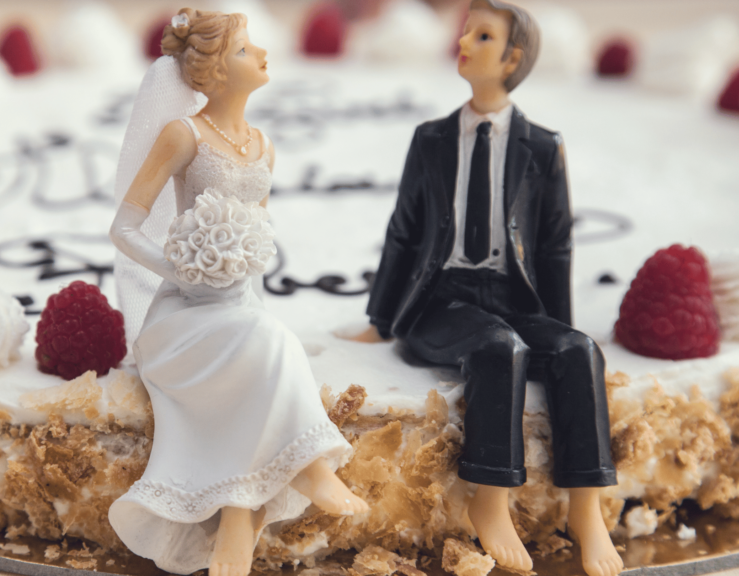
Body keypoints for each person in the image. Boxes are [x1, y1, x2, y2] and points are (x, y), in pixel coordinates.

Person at [346, 2, 623, 575]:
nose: (464, 40)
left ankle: (586, 509)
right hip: (441, 300)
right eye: (467, 29)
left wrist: (559, 323)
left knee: (579, 351)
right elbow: (403, 230)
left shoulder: (543, 147)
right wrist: (381, 319)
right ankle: (489, 500)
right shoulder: (431, 139)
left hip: (513, 295)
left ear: (513, 58)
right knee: (498, 346)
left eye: (483, 34)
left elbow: (554, 244)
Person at [107, 9, 368, 576]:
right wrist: (183, 270)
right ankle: (311, 469)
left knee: (267, 341)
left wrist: (243, 287)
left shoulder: (264, 146)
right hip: (183, 317)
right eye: (247, 50)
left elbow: (258, 244)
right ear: (216, 70)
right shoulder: (184, 135)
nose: (264, 55)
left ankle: (235, 522)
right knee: (269, 343)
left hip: (241, 311)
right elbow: (122, 229)